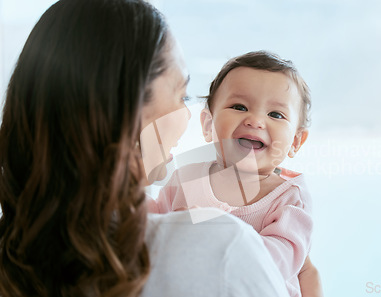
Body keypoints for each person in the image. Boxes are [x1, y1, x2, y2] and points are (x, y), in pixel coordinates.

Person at [0, 0, 291, 296]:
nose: (187, 116)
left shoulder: (13, 257)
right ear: (125, 107)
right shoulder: (222, 252)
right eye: (182, 94)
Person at [148, 51, 323, 297]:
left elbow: (274, 262)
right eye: (239, 107)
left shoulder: (289, 199)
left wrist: (206, 233)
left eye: (275, 114)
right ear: (209, 125)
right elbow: (148, 225)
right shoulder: (186, 179)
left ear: (295, 141)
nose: (255, 120)